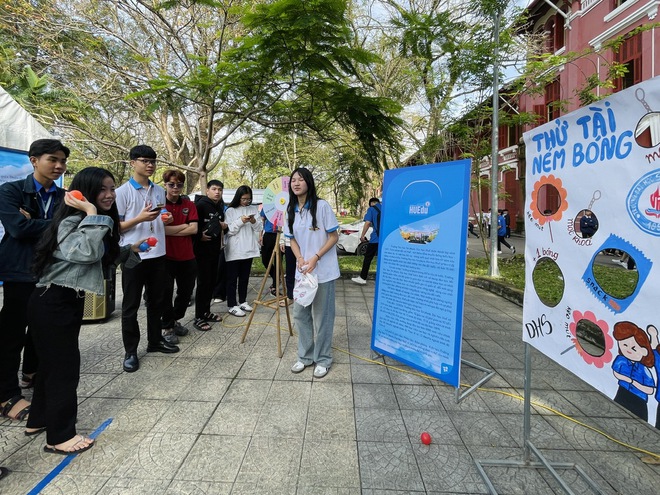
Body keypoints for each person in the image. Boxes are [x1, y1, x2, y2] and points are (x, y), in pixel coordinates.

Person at [26, 167, 143, 454]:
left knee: (51, 366)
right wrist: (91, 212)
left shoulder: (93, 223)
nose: (109, 194)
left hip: (64, 302)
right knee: (64, 370)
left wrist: (131, 250)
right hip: (52, 301)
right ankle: (60, 437)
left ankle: (39, 419)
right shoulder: (74, 221)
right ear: (84, 193)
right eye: (102, 189)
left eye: (111, 188)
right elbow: (85, 253)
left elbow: (96, 260)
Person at [0, 139, 68, 422]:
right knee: (11, 334)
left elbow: (71, 229)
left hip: (51, 272)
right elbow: (17, 228)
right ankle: (6, 395)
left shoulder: (66, 196)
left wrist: (37, 223)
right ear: (33, 160)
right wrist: (56, 224)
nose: (58, 166)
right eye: (52, 159)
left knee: (41, 329)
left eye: (62, 161)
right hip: (18, 271)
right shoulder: (11, 190)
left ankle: (31, 373)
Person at [115, 145, 179, 374]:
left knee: (157, 301)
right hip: (133, 254)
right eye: (144, 160)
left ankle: (155, 341)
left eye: (153, 160)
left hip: (158, 254)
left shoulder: (159, 191)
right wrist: (140, 218)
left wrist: (166, 219)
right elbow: (117, 226)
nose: (150, 164)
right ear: (132, 162)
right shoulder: (122, 192)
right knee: (130, 305)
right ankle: (130, 351)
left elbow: (161, 219)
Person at [285, 168, 340, 379]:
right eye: (293, 180)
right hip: (303, 273)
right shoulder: (291, 209)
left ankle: (324, 359)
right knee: (300, 313)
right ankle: (305, 356)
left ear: (309, 182)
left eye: (300, 179)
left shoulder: (322, 206)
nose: (296, 183)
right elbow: (291, 239)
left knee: (323, 317)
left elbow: (333, 236)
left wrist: (316, 257)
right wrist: (299, 258)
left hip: (323, 272)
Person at [161, 170, 200, 339]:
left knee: (186, 293)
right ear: (165, 185)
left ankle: (175, 319)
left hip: (187, 257)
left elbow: (194, 229)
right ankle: (167, 327)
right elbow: (160, 231)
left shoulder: (188, 204)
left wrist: (169, 230)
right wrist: (183, 228)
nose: (175, 187)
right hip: (166, 258)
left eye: (179, 184)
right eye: (171, 184)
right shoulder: (159, 204)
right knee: (165, 293)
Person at [194, 180, 227, 330]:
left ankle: (206, 312)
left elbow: (219, 228)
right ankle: (199, 317)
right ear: (207, 190)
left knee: (211, 283)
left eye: (220, 189)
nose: (217, 192)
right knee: (203, 284)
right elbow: (193, 225)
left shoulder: (219, 207)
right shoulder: (200, 205)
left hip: (215, 251)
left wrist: (224, 227)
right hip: (201, 253)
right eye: (214, 189)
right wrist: (198, 235)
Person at [224, 186, 262, 317]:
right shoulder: (230, 210)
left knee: (245, 277)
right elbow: (229, 230)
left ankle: (243, 301)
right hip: (234, 249)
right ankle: (231, 304)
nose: (246, 201)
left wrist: (253, 220)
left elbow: (259, 228)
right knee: (232, 278)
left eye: (248, 199)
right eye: (243, 199)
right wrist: (241, 221)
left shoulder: (253, 209)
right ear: (238, 197)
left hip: (248, 248)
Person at [611, 321, 655, 421]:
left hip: (639, 399)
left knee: (640, 420)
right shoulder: (621, 360)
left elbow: (650, 390)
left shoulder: (644, 370)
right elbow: (615, 372)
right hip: (623, 391)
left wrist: (632, 382)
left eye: (634, 348)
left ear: (644, 351)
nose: (628, 350)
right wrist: (625, 379)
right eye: (624, 345)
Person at [352, 197, 381, 285]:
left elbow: (367, 223)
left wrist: (362, 235)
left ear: (371, 203)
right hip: (385, 239)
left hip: (376, 238)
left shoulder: (372, 209)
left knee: (368, 258)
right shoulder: (386, 208)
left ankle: (362, 277)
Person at [260, 207, 280, 295]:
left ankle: (275, 286)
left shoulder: (284, 205)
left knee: (277, 260)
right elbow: (262, 220)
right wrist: (260, 235)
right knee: (265, 259)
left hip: (279, 234)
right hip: (268, 235)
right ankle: (276, 277)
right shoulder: (268, 205)